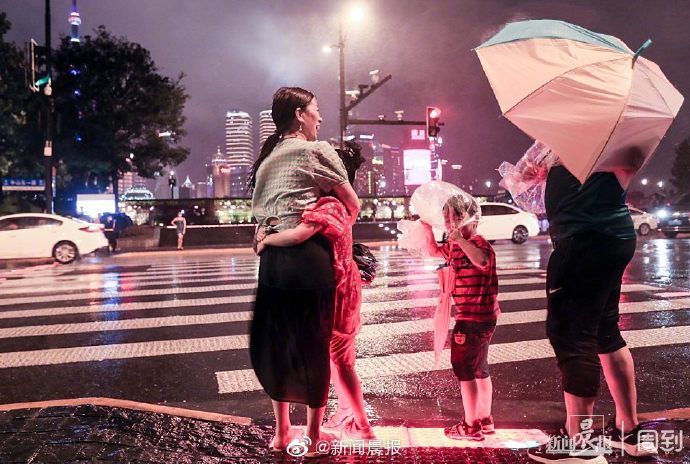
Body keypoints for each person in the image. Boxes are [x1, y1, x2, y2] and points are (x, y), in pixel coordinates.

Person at [249, 87, 360, 456]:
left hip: (271, 265)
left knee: (279, 345)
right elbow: (352, 204)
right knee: (314, 346)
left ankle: (282, 433)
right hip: (309, 261)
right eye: (316, 110)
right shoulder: (317, 151)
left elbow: (261, 220)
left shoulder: (265, 159)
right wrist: (326, 223)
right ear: (300, 114)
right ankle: (313, 440)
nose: (320, 118)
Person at [527, 154, 658, 463]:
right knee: (605, 333)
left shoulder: (597, 135)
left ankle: (579, 442)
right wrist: (552, 171)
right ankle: (628, 430)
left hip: (583, 239)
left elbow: (620, 169)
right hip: (610, 235)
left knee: (571, 336)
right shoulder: (606, 136)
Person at [256, 142, 374, 440]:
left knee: (319, 358)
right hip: (346, 290)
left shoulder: (328, 206)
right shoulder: (341, 207)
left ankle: (308, 433)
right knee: (343, 362)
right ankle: (362, 423)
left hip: (331, 292)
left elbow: (299, 235)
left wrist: (265, 241)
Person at [422, 194, 500, 441]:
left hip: (474, 320)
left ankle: (471, 426)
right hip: (478, 318)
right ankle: (485, 421)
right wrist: (425, 227)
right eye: (447, 218)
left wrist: (460, 241)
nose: (451, 223)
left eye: (457, 217)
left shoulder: (479, 244)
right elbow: (435, 251)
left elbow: (481, 260)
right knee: (479, 370)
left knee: (466, 372)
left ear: (473, 219)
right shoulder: (454, 246)